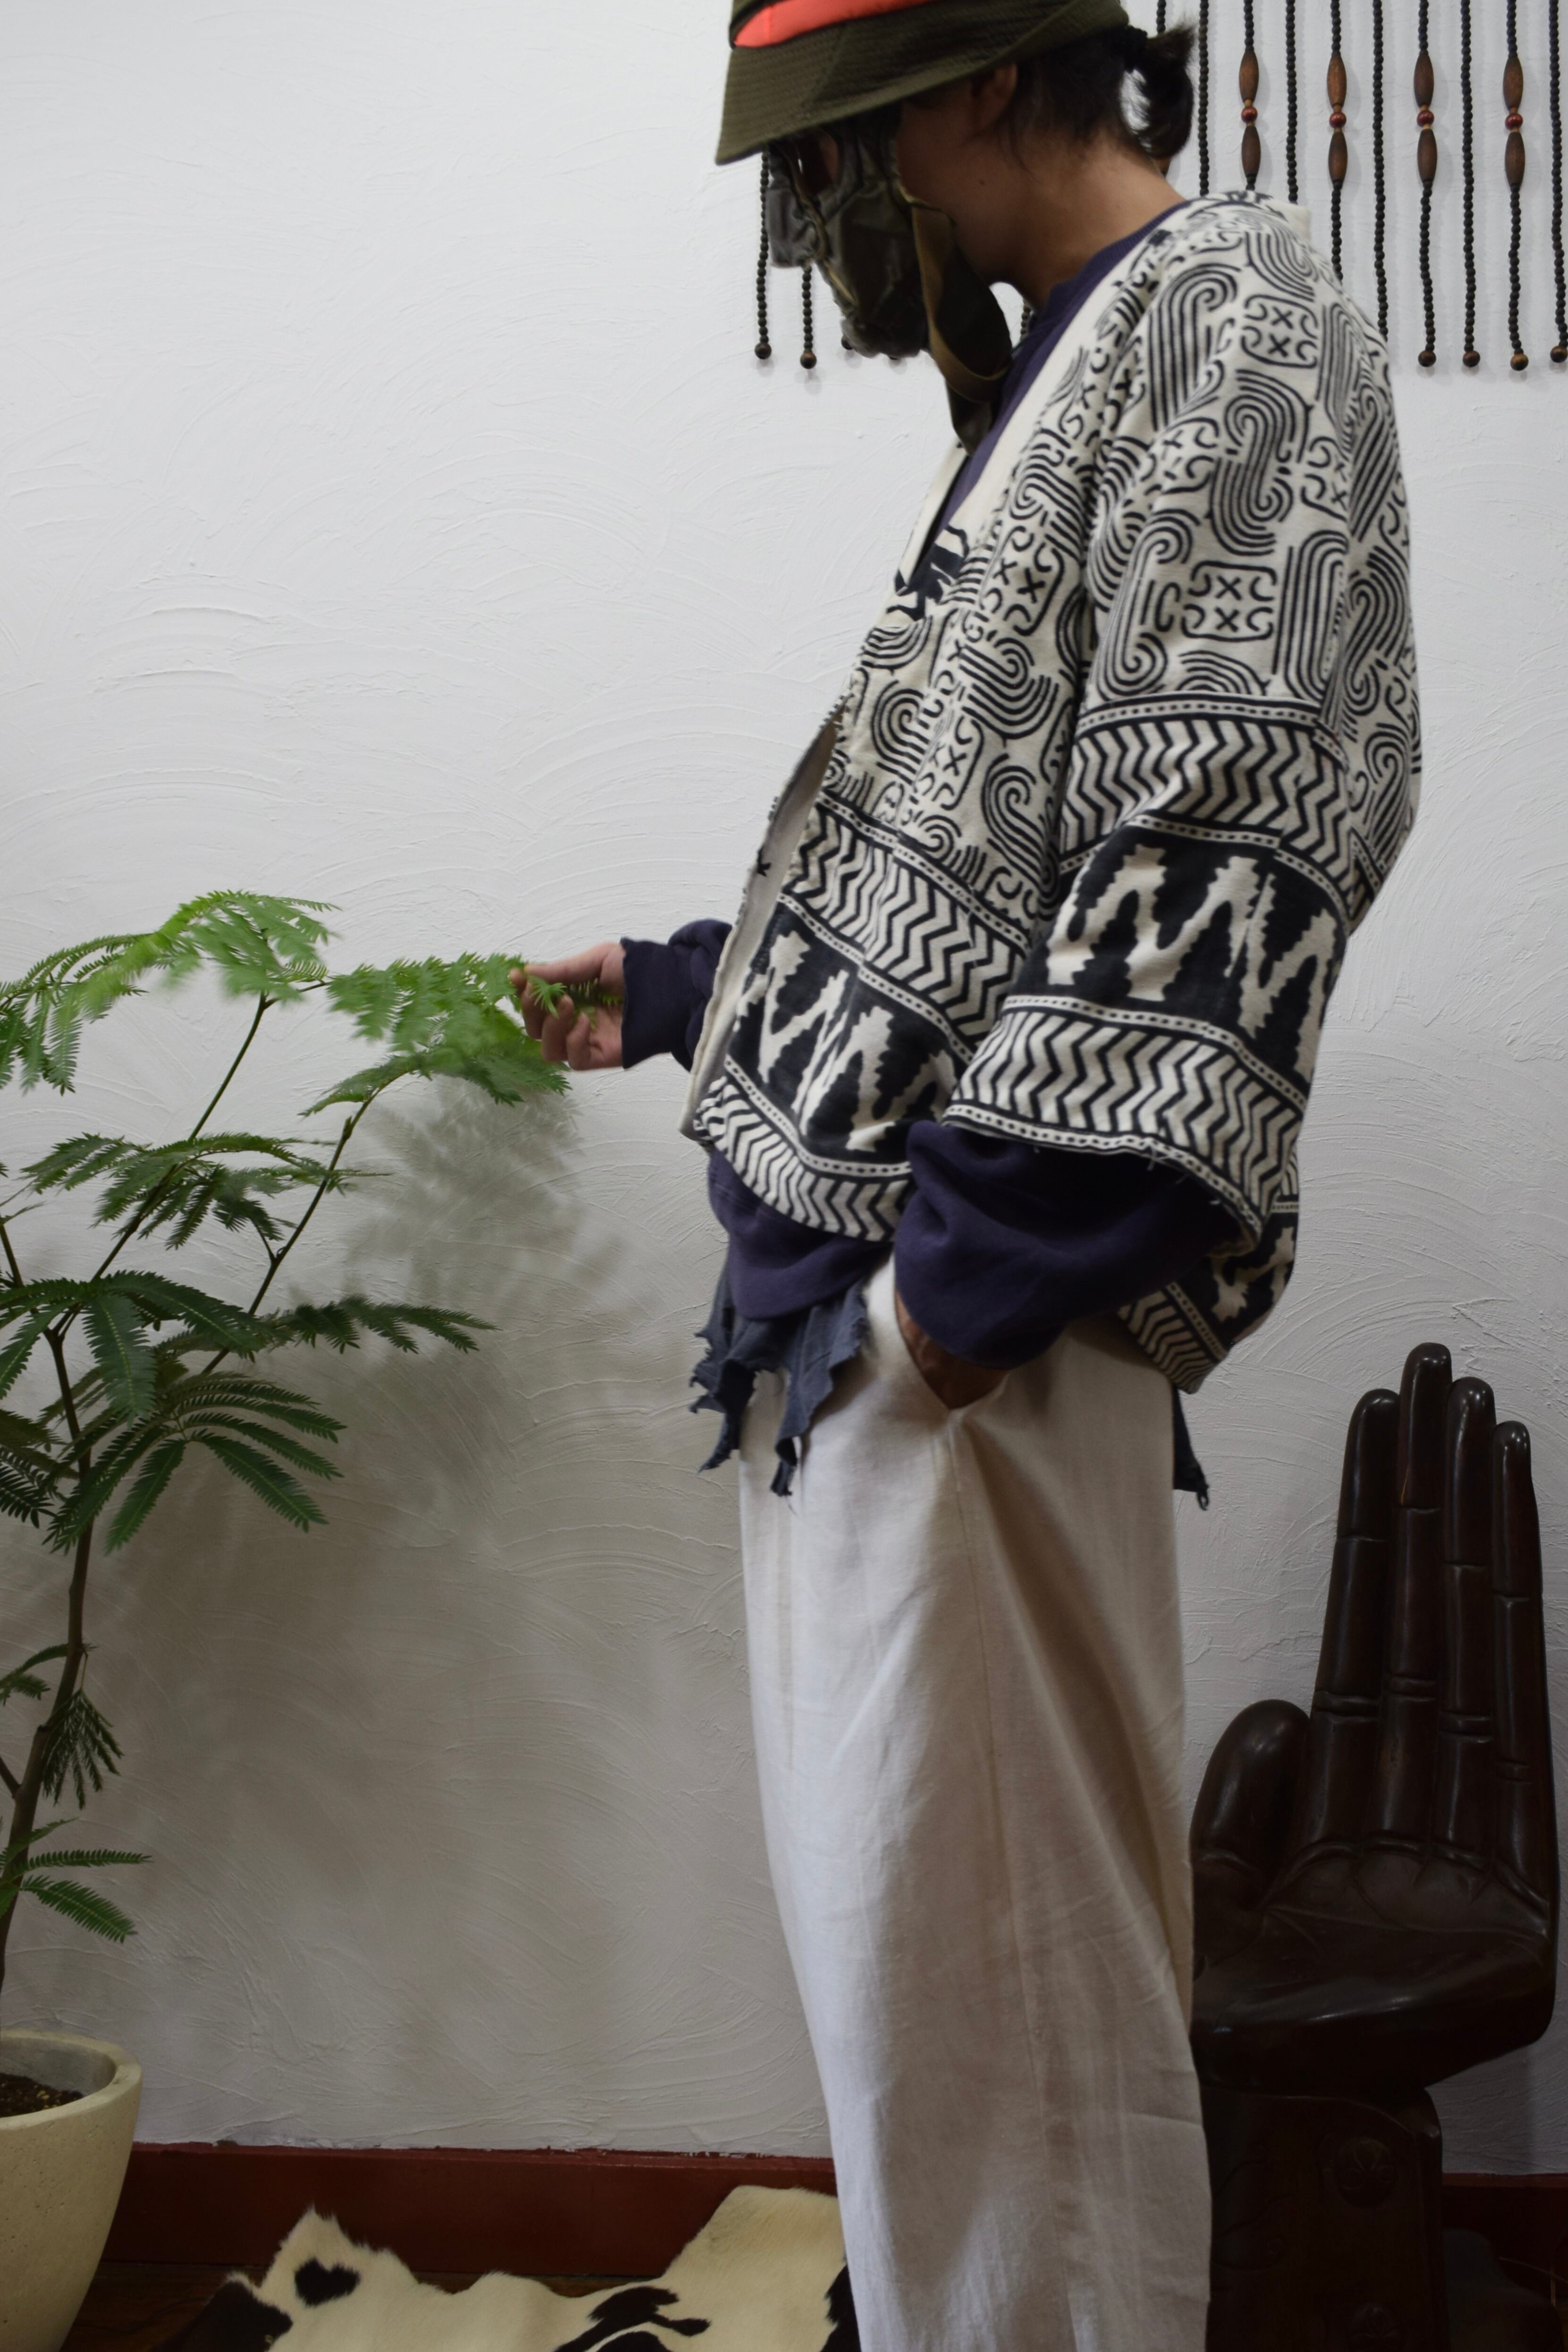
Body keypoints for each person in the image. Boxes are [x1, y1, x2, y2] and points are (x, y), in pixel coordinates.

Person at [515, 4, 1419, 2345]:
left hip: (968, 1347)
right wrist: (695, 984)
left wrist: (957, 1299)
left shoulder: (1240, 319)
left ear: (992, 80)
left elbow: (1236, 808)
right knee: (935, 2066)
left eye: (855, 138)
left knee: (1019, 2084)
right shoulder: (1084, 349)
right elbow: (980, 813)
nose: (838, 205)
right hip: (884, 1341)